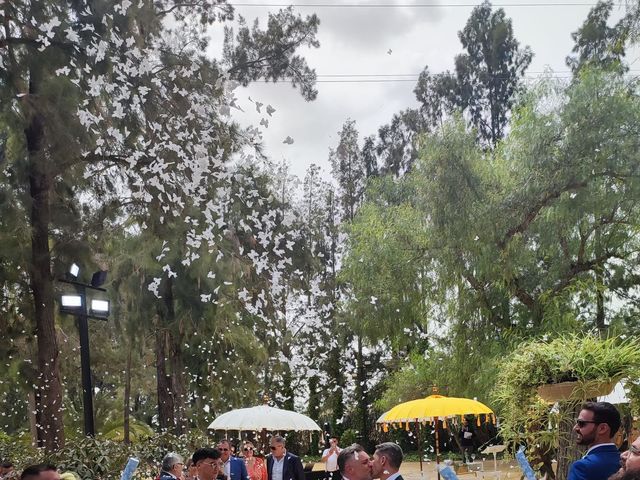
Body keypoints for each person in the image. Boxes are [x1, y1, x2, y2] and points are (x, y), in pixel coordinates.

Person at [569, 401, 621, 480]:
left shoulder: (582, 467)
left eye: (581, 423)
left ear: (602, 428)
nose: (575, 428)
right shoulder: (626, 462)